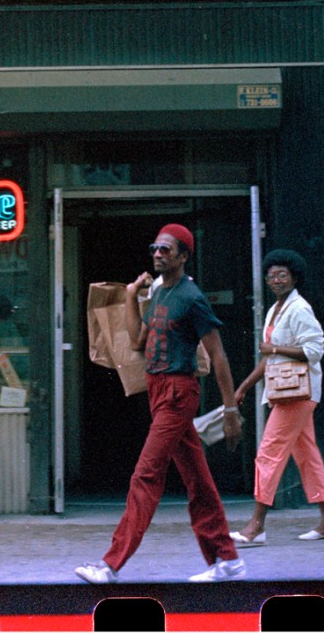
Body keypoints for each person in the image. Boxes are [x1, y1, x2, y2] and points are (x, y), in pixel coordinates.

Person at [74, 224, 246, 585]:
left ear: (183, 256)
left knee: (146, 475)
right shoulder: (158, 291)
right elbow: (138, 339)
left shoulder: (192, 297)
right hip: (158, 391)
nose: (158, 254)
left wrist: (231, 411)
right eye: (156, 247)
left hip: (178, 393)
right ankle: (227, 559)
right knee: (197, 480)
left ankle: (110, 565)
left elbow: (218, 355)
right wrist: (131, 294)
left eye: (167, 250)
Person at [228, 249, 324, 547]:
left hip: (298, 394)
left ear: (294, 277)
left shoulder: (299, 308)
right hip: (286, 391)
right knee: (306, 453)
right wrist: (244, 387)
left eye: (282, 275)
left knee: (268, 453)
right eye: (271, 276)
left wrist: (276, 350)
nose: (276, 280)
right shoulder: (277, 309)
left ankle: (256, 527)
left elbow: (315, 351)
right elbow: (269, 357)